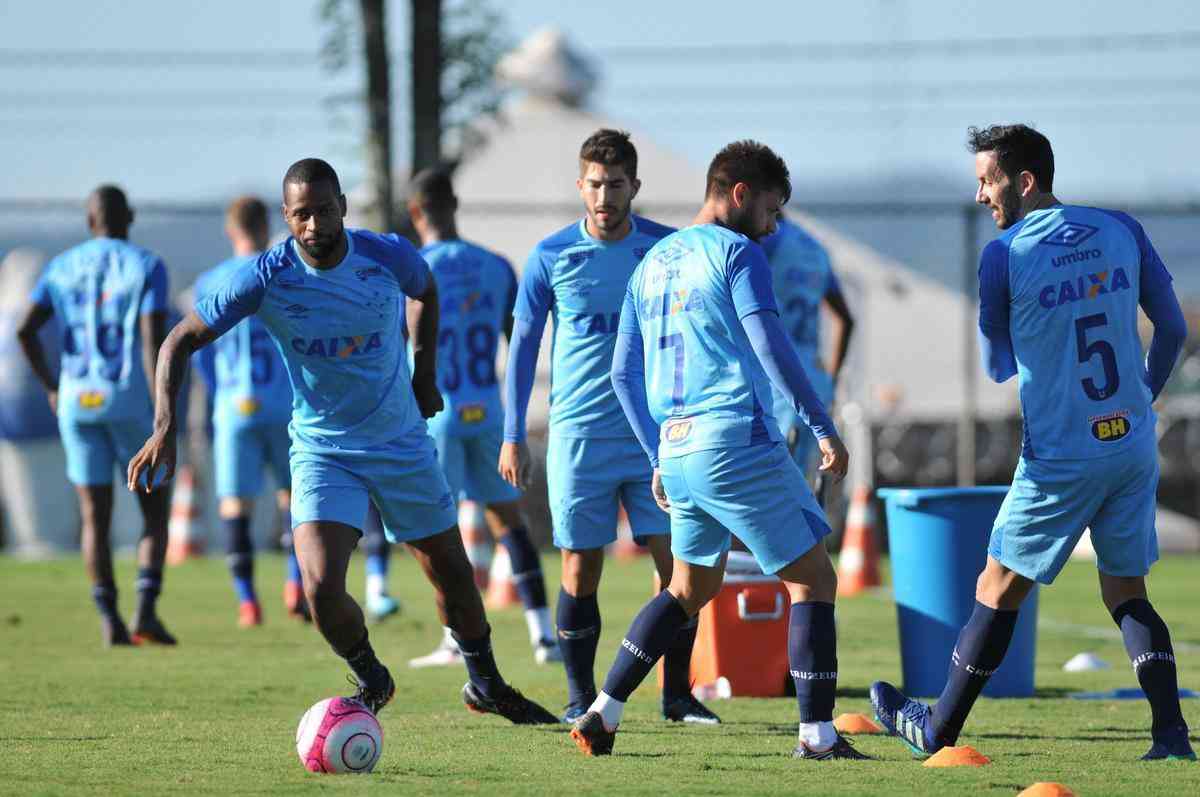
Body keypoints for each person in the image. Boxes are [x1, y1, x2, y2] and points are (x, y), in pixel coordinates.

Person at [127, 158, 557, 724]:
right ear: (286, 216)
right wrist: (163, 425)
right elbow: (177, 341)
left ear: (342, 209)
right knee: (322, 590)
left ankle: (486, 684)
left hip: (400, 440)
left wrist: (423, 373)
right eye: (301, 214)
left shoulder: (385, 254)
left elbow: (425, 289)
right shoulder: (265, 275)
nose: (313, 225)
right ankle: (372, 675)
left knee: (452, 575)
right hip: (323, 450)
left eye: (324, 211)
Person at [870, 124, 1193, 762]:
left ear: (1024, 181)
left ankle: (936, 729)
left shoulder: (1004, 255)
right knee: (1126, 590)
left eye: (987, 181)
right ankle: (1171, 737)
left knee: (997, 585)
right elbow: (1174, 328)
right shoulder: (1121, 227)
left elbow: (998, 364)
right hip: (1130, 444)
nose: (981, 196)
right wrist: (1142, 397)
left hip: (1060, 455)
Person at [569, 140, 866, 761]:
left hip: (677, 450)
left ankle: (604, 711)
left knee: (687, 589)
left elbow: (622, 374)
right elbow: (772, 349)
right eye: (771, 209)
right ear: (740, 194)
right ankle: (816, 735)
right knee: (813, 579)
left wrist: (656, 454)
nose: (773, 223)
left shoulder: (650, 261)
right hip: (735, 438)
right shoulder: (737, 253)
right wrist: (821, 426)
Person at [500, 129, 719, 724]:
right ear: (580, 186)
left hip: (657, 438)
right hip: (578, 437)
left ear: (634, 187)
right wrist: (512, 432)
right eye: (595, 184)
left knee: (680, 569)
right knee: (580, 567)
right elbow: (522, 348)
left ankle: (677, 697)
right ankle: (578, 697)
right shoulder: (550, 256)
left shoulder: (666, 249)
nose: (604, 195)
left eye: (616, 184)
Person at [405, 168, 559, 667]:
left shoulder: (414, 267)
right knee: (508, 520)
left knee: (439, 529)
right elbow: (516, 344)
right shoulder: (495, 265)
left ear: (415, 212)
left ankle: (455, 638)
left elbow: (403, 342)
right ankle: (543, 635)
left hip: (438, 411)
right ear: (455, 204)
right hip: (488, 408)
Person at [16, 185, 176, 647]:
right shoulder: (146, 265)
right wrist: (162, 410)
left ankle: (109, 618)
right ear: (130, 217)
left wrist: (51, 385)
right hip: (127, 400)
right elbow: (151, 341)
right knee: (153, 511)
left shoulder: (61, 266)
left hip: (76, 400)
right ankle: (145, 611)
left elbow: (27, 328)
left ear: (90, 222)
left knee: (94, 516)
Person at [192, 196, 300, 627]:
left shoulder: (209, 282)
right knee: (294, 500)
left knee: (236, 505)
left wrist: (221, 393)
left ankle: (248, 602)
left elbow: (199, 352)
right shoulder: (283, 272)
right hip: (284, 401)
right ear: (267, 223)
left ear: (229, 229)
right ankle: (296, 584)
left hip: (235, 406)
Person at [762, 216, 854, 482]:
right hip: (814, 379)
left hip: (777, 379)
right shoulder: (815, 248)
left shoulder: (765, 241)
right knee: (802, 482)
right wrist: (832, 380)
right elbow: (846, 319)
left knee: (771, 488)